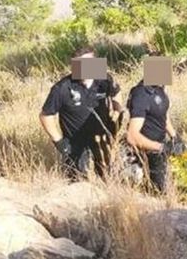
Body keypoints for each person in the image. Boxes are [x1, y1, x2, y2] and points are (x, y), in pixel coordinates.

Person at [39, 47, 124, 180]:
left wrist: (118, 114)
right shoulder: (62, 88)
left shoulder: (104, 79)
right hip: (76, 144)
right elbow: (46, 116)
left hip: (102, 141)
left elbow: (117, 92)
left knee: (108, 178)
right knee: (79, 181)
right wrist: (60, 143)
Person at [126, 56, 185, 194]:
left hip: (160, 147)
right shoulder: (141, 95)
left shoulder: (159, 88)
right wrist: (161, 148)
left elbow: (163, 115)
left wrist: (175, 136)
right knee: (158, 193)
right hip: (147, 152)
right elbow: (132, 136)